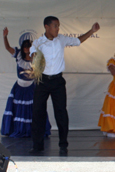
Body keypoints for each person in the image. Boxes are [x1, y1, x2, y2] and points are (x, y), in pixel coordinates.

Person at [29, 16, 100, 154]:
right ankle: (37, 145)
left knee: (61, 112)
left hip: (57, 82)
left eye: (58, 26)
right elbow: (32, 57)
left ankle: (63, 144)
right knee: (38, 112)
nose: (57, 28)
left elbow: (78, 40)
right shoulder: (38, 43)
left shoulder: (61, 39)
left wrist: (91, 31)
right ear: (46, 27)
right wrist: (34, 59)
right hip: (42, 81)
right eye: (55, 26)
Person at [0, 27, 51, 138]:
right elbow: (8, 48)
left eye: (29, 47)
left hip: (31, 87)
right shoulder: (18, 54)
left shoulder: (36, 58)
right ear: (22, 48)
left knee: (34, 109)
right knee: (17, 109)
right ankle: (16, 129)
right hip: (19, 87)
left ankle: (36, 130)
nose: (27, 49)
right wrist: (5, 37)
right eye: (25, 47)